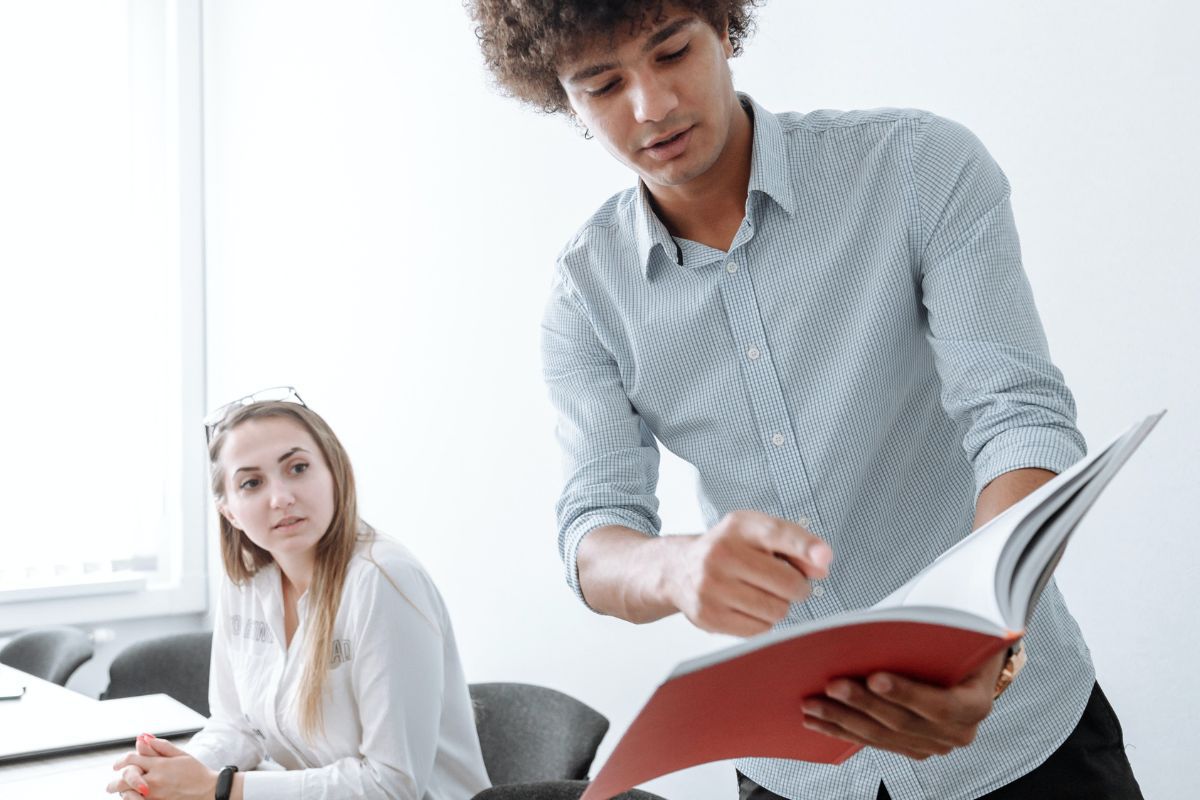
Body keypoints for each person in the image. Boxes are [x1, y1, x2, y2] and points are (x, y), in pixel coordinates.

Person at [466, 2, 1143, 799]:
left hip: (1027, 745)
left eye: (672, 51)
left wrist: (985, 638)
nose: (651, 106)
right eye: (602, 84)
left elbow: (1018, 417)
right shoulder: (586, 297)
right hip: (798, 772)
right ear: (562, 98)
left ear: (724, 27)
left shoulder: (918, 167)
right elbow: (593, 530)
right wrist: (675, 567)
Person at [107, 389, 490, 800]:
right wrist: (168, 775)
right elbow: (236, 727)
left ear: (334, 472)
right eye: (251, 482)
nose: (281, 498)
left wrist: (218, 788)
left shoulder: (383, 580)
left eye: (298, 468)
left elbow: (392, 785)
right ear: (229, 511)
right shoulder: (245, 583)